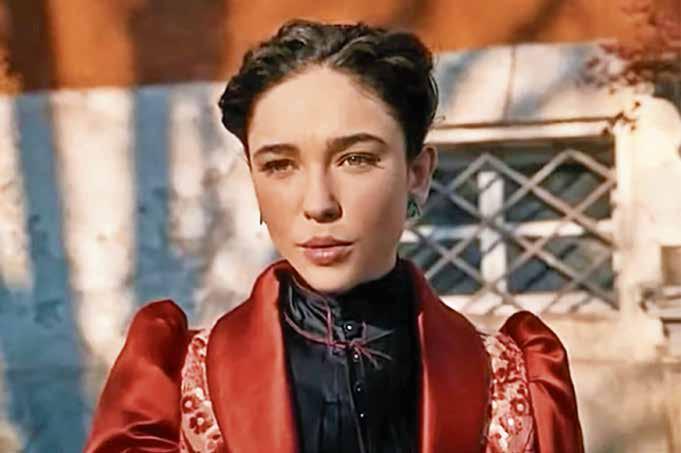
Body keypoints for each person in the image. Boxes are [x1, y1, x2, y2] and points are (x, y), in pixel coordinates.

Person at [83, 19, 584, 453]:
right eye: (280, 165)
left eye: (356, 158)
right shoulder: (168, 386)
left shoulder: (517, 383)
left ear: (417, 174)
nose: (318, 203)